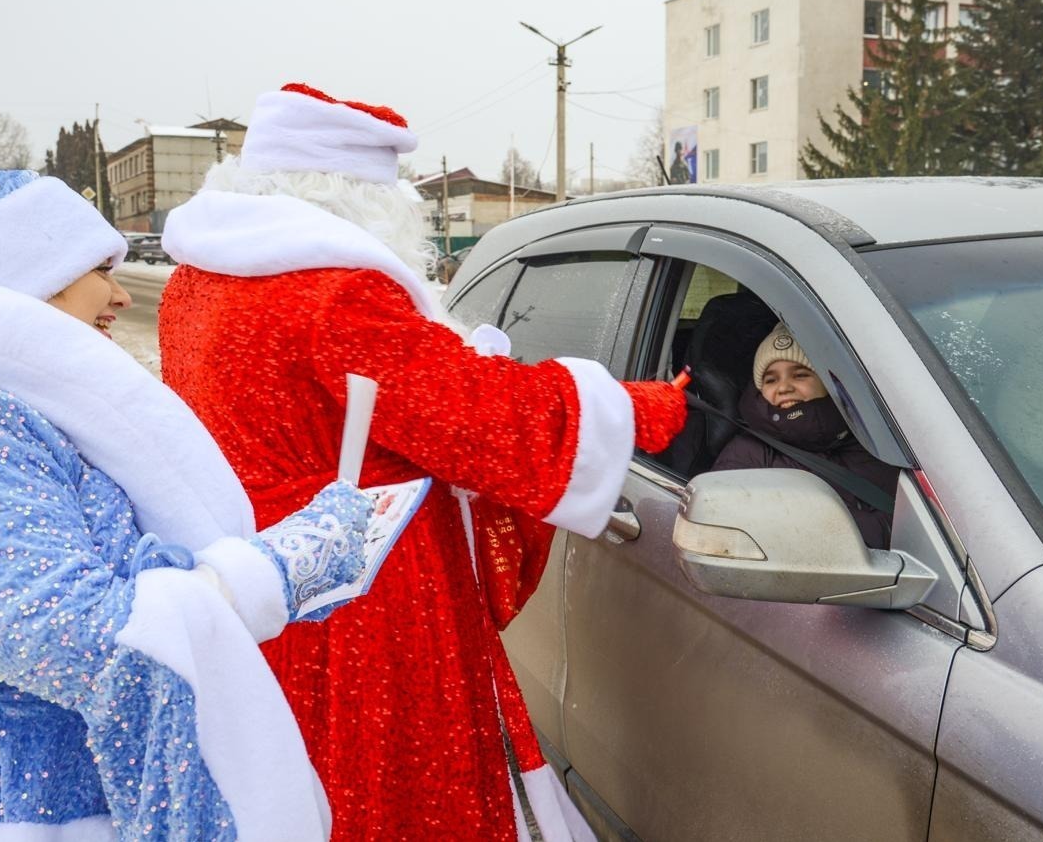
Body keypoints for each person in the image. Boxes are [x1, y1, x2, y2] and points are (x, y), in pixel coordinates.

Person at [157, 83, 688, 840]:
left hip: (259, 577)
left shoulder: (196, 281)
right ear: (354, 191)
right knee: (389, 790)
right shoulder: (337, 293)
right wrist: (639, 409)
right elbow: (481, 420)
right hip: (361, 595)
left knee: (290, 785)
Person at [0, 170, 373, 841]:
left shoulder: (14, 414)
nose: (121, 294)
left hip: (40, 789)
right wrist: (270, 572)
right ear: (31, 271)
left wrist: (288, 563)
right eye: (100, 268)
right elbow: (61, 635)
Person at [712, 323, 898, 549]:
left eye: (800, 375)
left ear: (828, 384)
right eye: (771, 380)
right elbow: (728, 540)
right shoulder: (747, 455)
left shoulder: (877, 443)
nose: (783, 388)